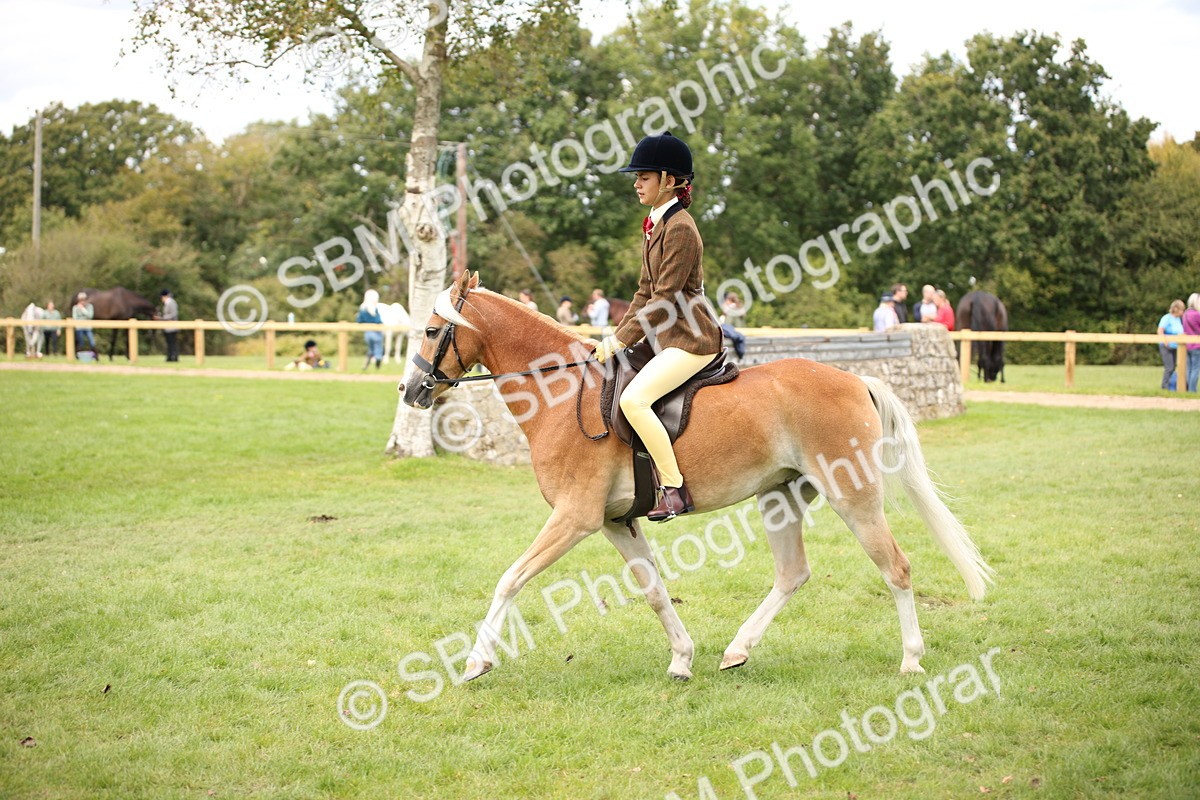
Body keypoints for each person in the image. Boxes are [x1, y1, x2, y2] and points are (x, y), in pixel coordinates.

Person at [593, 131, 722, 521]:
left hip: (691, 338)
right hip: (667, 335)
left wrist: (622, 339)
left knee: (634, 400)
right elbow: (643, 292)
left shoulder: (680, 227)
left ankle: (674, 489)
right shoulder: (655, 223)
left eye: (643, 177)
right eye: (637, 177)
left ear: (668, 180)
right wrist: (615, 337)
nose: (636, 183)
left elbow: (664, 299)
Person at [1157, 299, 1185, 390]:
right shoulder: (1166, 318)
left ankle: (1172, 386)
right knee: (1169, 367)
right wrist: (1165, 341)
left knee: (1174, 367)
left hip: (1176, 346)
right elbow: (1160, 330)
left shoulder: (1178, 319)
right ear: (1176, 309)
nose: (1183, 312)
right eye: (1181, 310)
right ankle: (1164, 386)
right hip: (1166, 346)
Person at [357, 289, 385, 370]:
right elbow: (378, 321)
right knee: (378, 348)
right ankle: (378, 359)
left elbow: (359, 320)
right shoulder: (374, 309)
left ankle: (365, 365)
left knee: (371, 349)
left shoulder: (362, 308)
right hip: (376, 332)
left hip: (367, 333)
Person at [719, 290, 747, 359]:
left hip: (734, 331)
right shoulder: (739, 308)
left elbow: (727, 325)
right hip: (742, 332)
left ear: (729, 300)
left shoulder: (729, 309)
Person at [1183, 293, 1200, 393]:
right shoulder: (1197, 314)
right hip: (1197, 345)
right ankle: (1192, 390)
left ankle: (1188, 389)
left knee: (1189, 368)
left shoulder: (1185, 314)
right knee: (1195, 369)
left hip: (1187, 345)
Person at [72, 292, 96, 357]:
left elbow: (90, 316)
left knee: (92, 342)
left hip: (88, 327)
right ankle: (78, 356)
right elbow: (75, 318)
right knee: (80, 342)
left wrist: (83, 309)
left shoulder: (90, 306)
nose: (82, 301)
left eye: (83, 299)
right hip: (79, 327)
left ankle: (95, 356)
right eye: (81, 300)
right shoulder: (75, 308)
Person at [160, 289, 180, 362]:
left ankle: (174, 356)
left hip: (172, 327)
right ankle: (170, 356)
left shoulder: (171, 303)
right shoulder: (167, 303)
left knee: (172, 342)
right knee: (169, 342)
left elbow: (174, 314)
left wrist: (163, 318)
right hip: (167, 327)